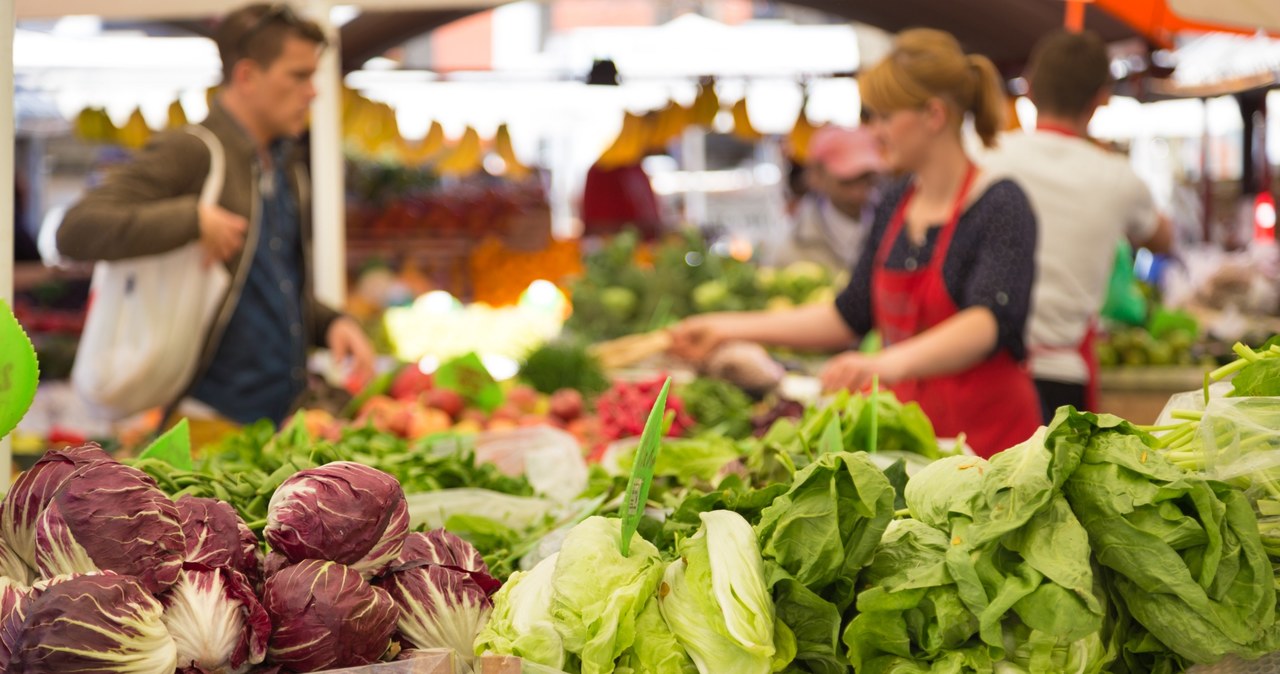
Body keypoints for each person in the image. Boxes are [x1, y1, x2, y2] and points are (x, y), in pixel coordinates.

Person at [670, 28, 1041, 458]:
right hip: (912, 442)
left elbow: (988, 321)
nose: (875, 132)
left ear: (933, 115)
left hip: (993, 446)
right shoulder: (895, 205)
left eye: (884, 116)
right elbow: (850, 314)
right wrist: (724, 327)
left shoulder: (1000, 202)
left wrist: (882, 364)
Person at [58, 3, 375, 426]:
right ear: (246, 75)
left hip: (282, 423)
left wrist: (330, 323)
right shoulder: (193, 152)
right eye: (299, 75)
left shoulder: (287, 169)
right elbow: (77, 228)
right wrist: (192, 219)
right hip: (207, 423)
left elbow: (268, 286)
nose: (314, 91)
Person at [981, 29, 1173, 423]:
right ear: (1101, 100)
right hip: (1061, 380)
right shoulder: (1118, 177)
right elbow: (1164, 238)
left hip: (983, 369)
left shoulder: (986, 154)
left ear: (1029, 90)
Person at [767, 126, 885, 270]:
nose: (858, 191)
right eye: (846, 180)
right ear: (816, 175)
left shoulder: (896, 226)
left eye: (866, 177)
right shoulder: (791, 248)